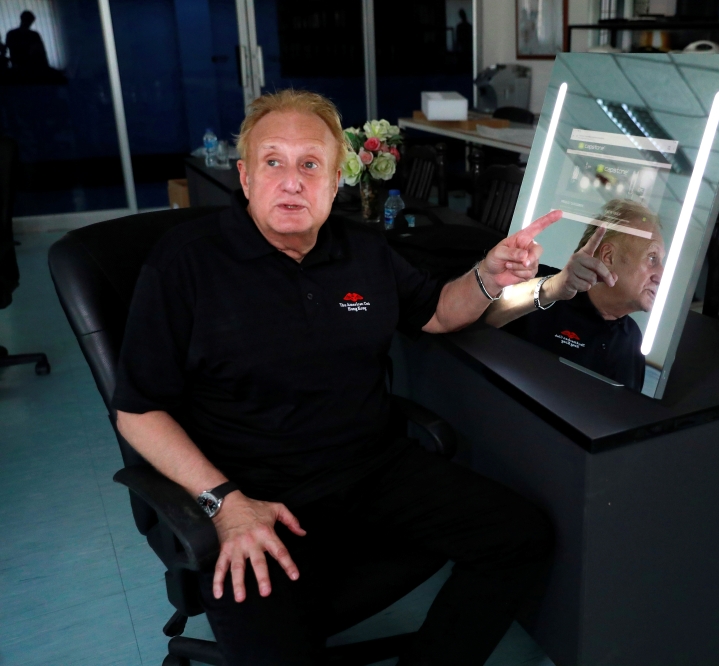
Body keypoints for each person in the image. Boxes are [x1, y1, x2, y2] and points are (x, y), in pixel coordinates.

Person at [112, 89, 562, 666]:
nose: (291, 182)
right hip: (254, 492)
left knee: (519, 536)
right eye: (273, 162)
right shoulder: (185, 262)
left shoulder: (363, 250)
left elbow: (436, 312)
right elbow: (137, 410)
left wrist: (488, 276)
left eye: (310, 165)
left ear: (334, 182)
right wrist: (225, 504)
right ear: (245, 178)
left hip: (373, 468)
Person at [485, 199, 665, 391]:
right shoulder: (538, 284)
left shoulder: (634, 339)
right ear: (608, 256)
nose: (661, 275)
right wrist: (552, 288)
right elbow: (481, 317)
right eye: (652, 258)